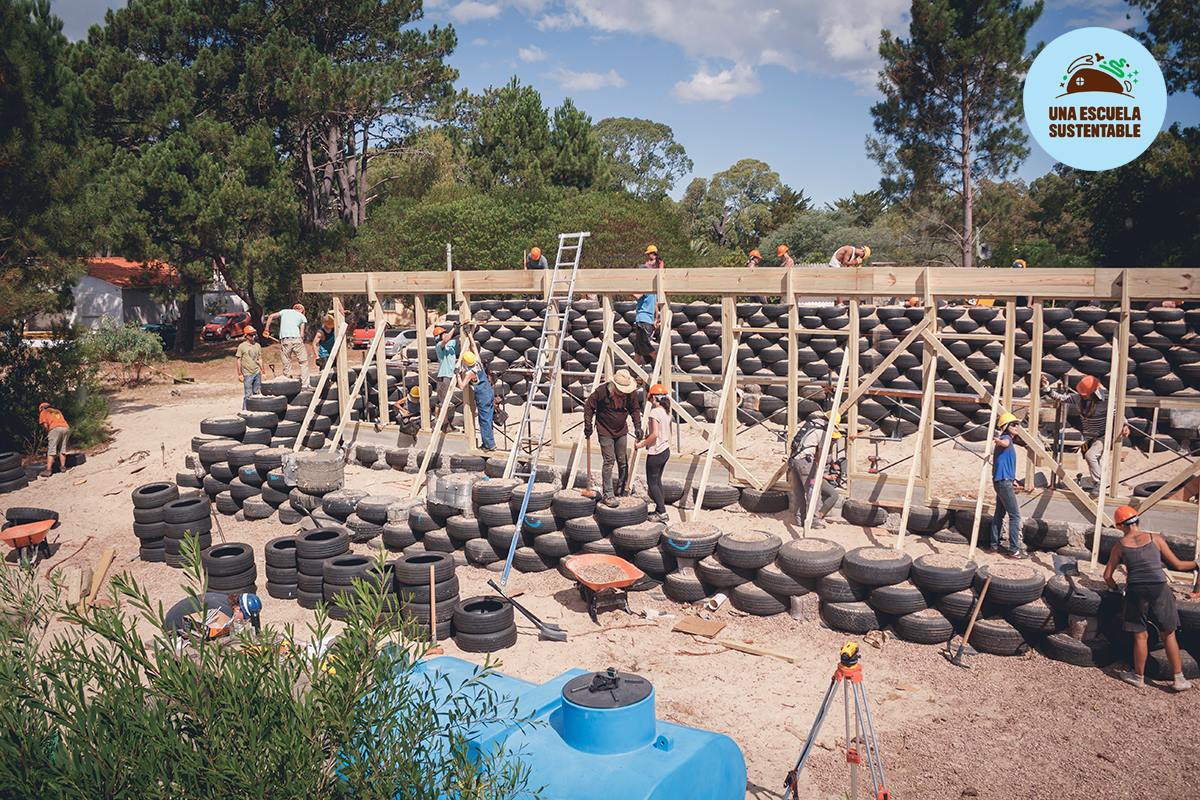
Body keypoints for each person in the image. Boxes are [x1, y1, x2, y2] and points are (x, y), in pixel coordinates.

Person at [1104, 505, 1197, 691]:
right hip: (1159, 588)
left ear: (1120, 526)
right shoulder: (1156, 538)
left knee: (1140, 635)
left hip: (1136, 590)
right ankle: (1179, 679)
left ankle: (1138, 677)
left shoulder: (1119, 546)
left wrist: (1117, 589)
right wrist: (1197, 563)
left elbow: (1107, 576)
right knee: (1168, 633)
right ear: (1137, 520)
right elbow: (1178, 565)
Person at [1042, 374, 1130, 494]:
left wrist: (1125, 425)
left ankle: (1099, 484)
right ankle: (1097, 483)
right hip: (1090, 436)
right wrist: (1047, 389)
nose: (1083, 397)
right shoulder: (1078, 399)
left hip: (1104, 435)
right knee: (1093, 459)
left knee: (1091, 455)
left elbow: (1118, 414)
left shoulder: (1107, 400)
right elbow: (1061, 398)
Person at [583, 369, 643, 507]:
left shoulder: (630, 393)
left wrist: (638, 426)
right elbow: (589, 407)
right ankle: (608, 494)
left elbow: (635, 409)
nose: (623, 393)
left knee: (622, 460)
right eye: (620, 390)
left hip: (621, 430)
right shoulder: (601, 391)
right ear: (614, 386)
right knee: (609, 461)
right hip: (604, 430)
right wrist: (588, 425)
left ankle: (622, 489)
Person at [788, 412, 840, 528]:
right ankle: (814, 520)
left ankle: (799, 519)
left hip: (795, 461)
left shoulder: (811, 424)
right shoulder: (823, 431)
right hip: (806, 463)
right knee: (814, 491)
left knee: (799, 492)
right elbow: (821, 454)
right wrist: (822, 473)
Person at [990, 412, 1026, 558]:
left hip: (1002, 481)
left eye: (1017, 424)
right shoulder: (1006, 439)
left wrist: (1013, 480)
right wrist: (998, 440)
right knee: (1015, 516)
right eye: (1013, 425)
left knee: (999, 514)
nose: (1017, 427)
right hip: (1003, 483)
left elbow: (1005, 464)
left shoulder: (1008, 441)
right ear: (1005, 427)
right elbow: (1004, 442)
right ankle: (1014, 550)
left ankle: (993, 546)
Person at [634, 383, 672, 522]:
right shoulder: (666, 413)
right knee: (657, 481)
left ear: (654, 398)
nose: (650, 401)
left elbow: (655, 434)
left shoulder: (655, 412)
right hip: (665, 450)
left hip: (656, 453)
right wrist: (647, 438)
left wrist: (642, 443)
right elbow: (661, 433)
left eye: (650, 399)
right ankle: (660, 510)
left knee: (652, 484)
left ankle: (662, 512)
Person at [458, 351, 496, 451]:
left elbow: (462, 386)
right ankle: (489, 442)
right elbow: (474, 348)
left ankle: (489, 445)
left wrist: (457, 374)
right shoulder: (478, 363)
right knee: (488, 419)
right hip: (489, 392)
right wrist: (470, 337)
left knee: (484, 421)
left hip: (483, 396)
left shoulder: (470, 373)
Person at [631, 245, 663, 364]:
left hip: (643, 320)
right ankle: (634, 373)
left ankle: (661, 364)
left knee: (644, 345)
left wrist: (625, 289)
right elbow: (655, 306)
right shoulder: (654, 291)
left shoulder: (646, 287)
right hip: (647, 320)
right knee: (638, 349)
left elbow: (637, 296)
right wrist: (656, 319)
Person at [265, 303, 310, 382]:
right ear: (302, 310)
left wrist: (266, 329)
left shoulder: (284, 311)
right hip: (297, 339)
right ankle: (305, 383)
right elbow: (302, 334)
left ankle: (288, 382)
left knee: (287, 362)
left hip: (285, 340)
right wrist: (300, 341)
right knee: (303, 362)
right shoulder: (302, 316)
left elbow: (271, 316)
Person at [433, 325, 460, 430]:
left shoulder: (450, 344)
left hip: (450, 375)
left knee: (445, 402)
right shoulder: (439, 346)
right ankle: (444, 425)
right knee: (444, 403)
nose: (445, 334)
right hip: (444, 376)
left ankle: (444, 424)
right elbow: (446, 339)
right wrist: (454, 328)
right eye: (443, 333)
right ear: (438, 337)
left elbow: (457, 339)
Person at [37, 401, 71, 478]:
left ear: (41, 408)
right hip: (66, 428)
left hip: (55, 429)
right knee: (62, 449)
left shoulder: (43, 412)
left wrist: (48, 432)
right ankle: (63, 467)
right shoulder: (57, 411)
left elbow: (45, 425)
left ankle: (48, 470)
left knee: (51, 450)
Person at [235, 326, 264, 408]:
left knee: (257, 393)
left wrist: (263, 371)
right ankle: (245, 411)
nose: (253, 336)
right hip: (247, 374)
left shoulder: (257, 345)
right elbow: (238, 360)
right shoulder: (241, 346)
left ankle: (257, 410)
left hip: (257, 372)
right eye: (251, 335)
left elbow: (260, 359)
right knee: (248, 394)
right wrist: (239, 374)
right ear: (246, 336)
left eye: (254, 334)